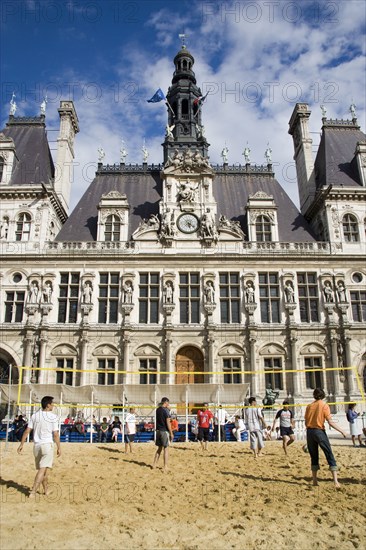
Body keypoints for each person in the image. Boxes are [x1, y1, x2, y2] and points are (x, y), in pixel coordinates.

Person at [17, 396, 61, 498]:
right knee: (42, 470)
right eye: (52, 403)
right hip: (47, 445)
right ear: (48, 405)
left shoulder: (34, 416)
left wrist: (21, 444)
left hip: (36, 446)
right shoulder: (53, 417)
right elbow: (55, 434)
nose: (53, 405)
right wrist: (59, 447)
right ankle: (33, 491)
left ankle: (46, 490)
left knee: (44, 469)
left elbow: (27, 431)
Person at [304, 388, 347, 488]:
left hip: (309, 432)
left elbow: (306, 422)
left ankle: (314, 480)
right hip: (319, 431)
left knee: (314, 456)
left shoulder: (309, 406)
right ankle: (335, 481)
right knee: (329, 454)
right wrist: (342, 431)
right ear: (323, 396)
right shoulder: (324, 405)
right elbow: (330, 422)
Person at [153, 397, 173, 471]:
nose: (169, 404)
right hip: (164, 431)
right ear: (166, 402)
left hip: (158, 431)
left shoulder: (158, 409)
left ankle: (154, 464)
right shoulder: (166, 411)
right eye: (168, 403)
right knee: (166, 449)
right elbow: (168, 423)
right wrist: (171, 433)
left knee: (159, 448)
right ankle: (165, 466)